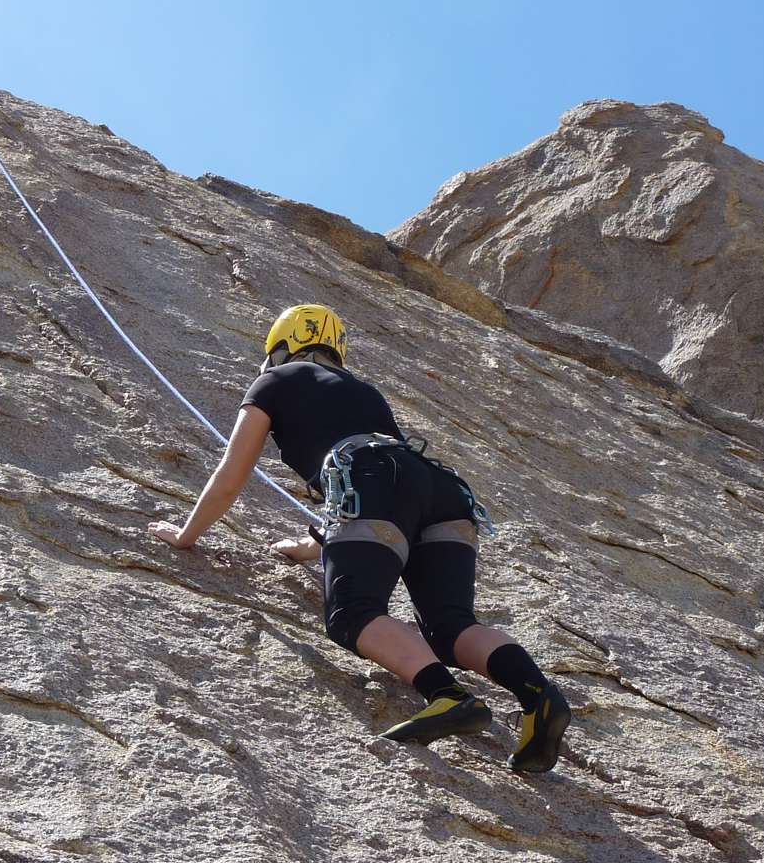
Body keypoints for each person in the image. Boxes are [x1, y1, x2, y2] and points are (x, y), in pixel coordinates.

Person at [148, 303, 570, 773]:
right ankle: (539, 695)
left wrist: (185, 535)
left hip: (373, 481)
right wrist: (314, 546)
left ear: (281, 348)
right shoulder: (364, 391)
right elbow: (387, 501)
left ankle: (447, 696)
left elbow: (232, 475)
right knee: (449, 627)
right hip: (440, 490)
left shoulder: (275, 380)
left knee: (353, 614)